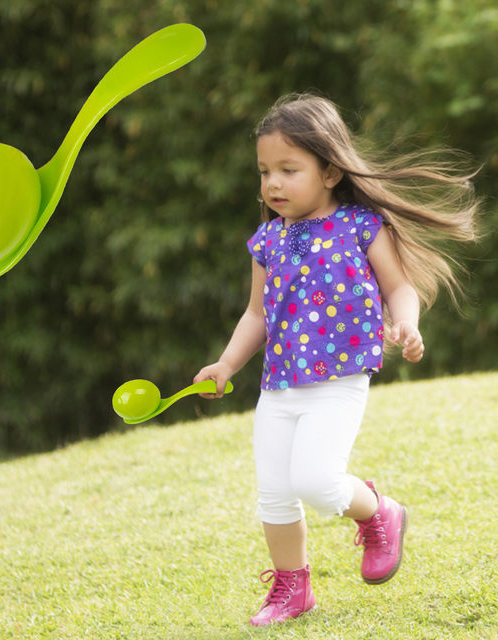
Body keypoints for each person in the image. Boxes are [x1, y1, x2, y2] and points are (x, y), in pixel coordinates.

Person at [194, 93, 480, 626]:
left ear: (329, 171)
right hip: (278, 386)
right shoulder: (266, 241)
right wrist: (227, 364)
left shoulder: (361, 225)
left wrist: (408, 324)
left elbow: (400, 288)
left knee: (317, 481)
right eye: (264, 171)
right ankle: (291, 589)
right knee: (275, 494)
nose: (272, 183)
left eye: (288, 169)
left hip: (339, 379)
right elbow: (256, 315)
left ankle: (380, 511)